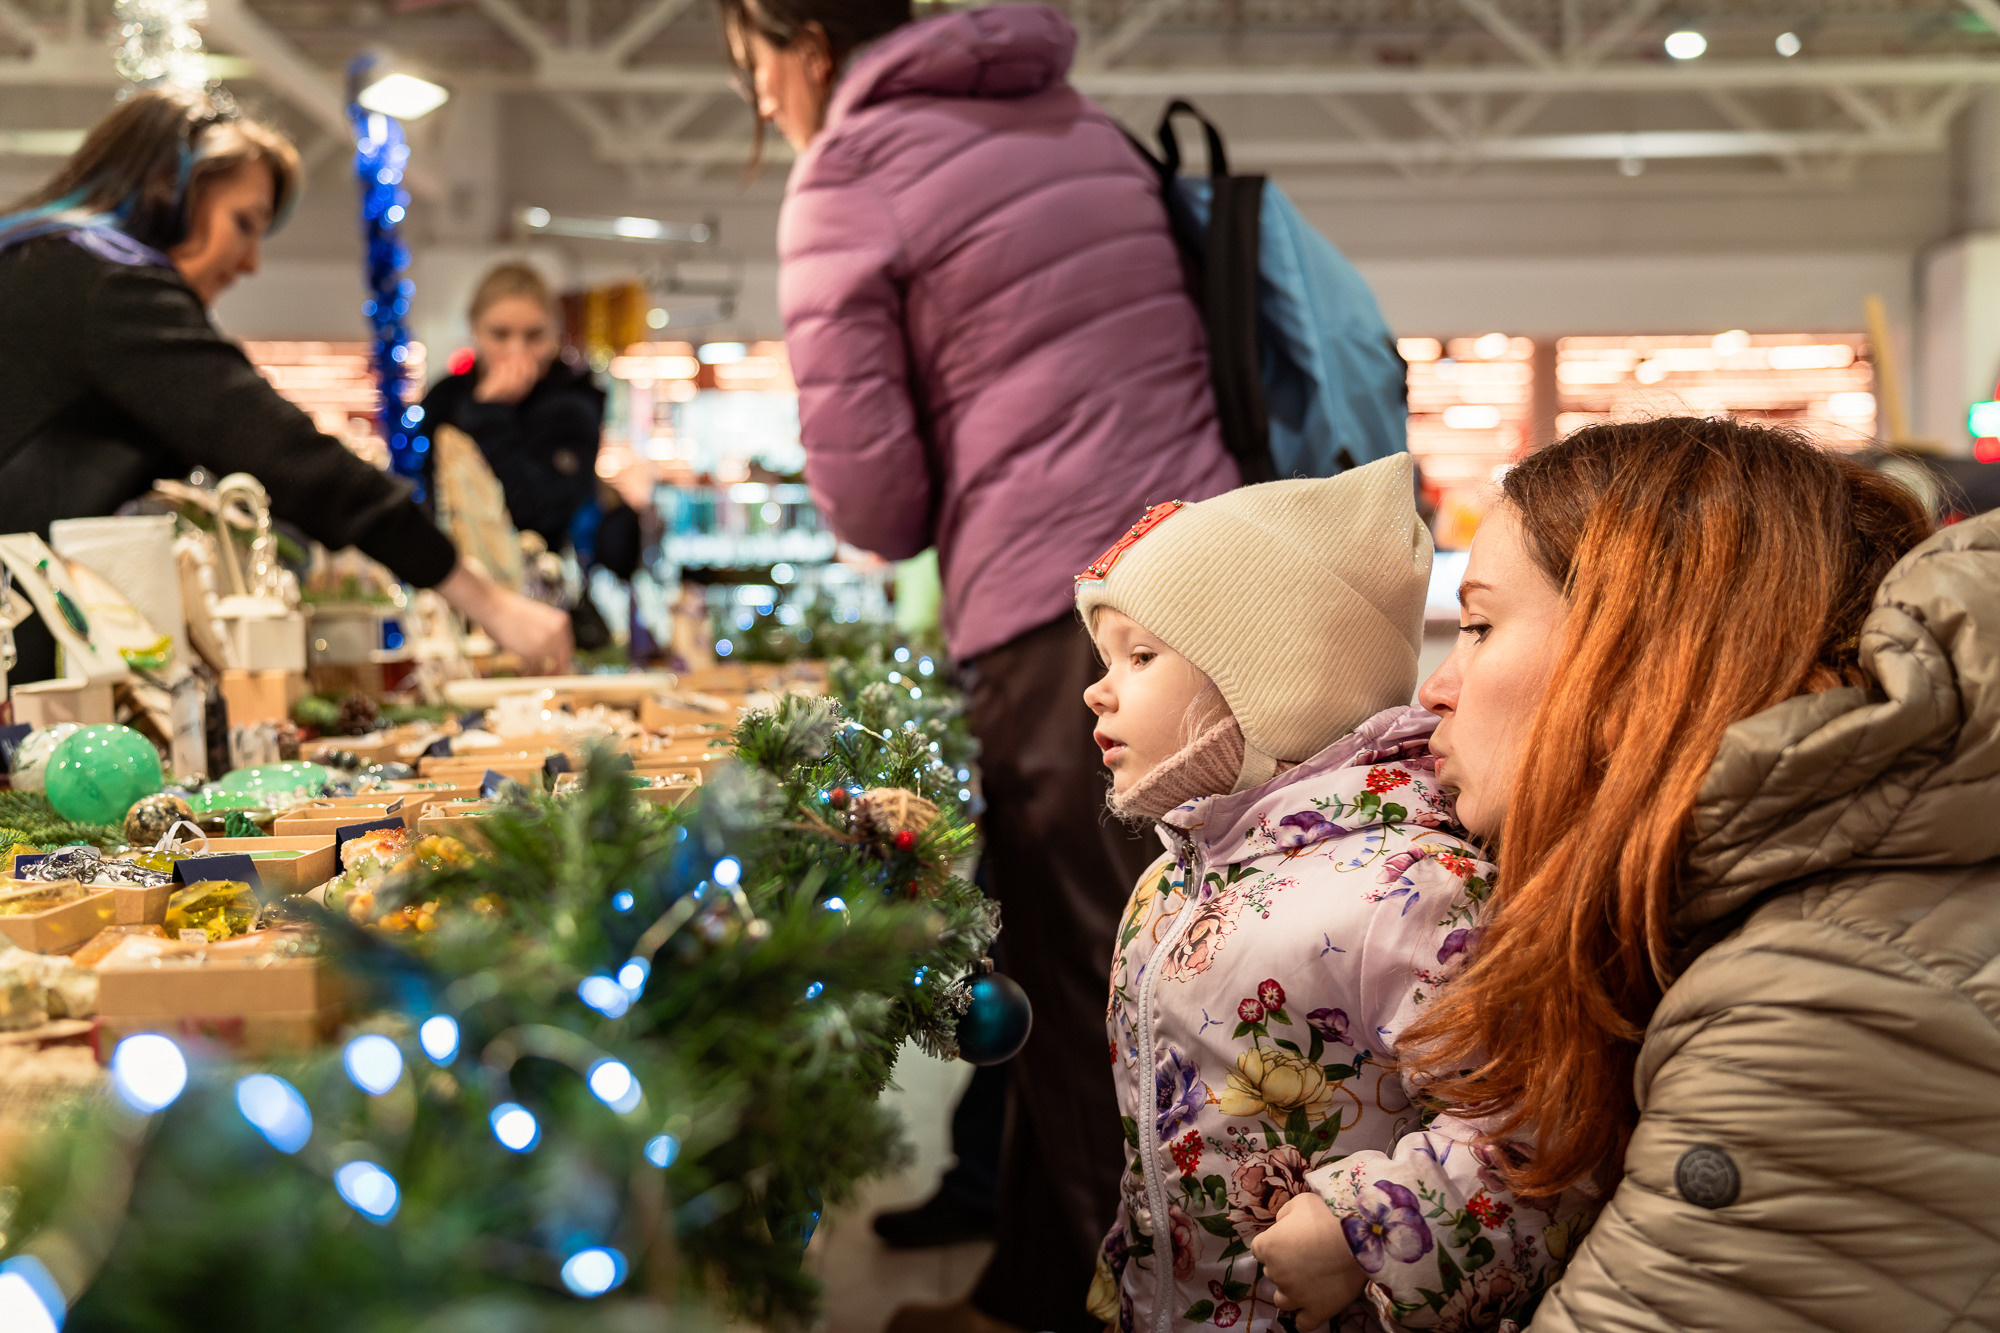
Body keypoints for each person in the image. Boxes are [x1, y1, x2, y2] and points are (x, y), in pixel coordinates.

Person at [718, 5, 1239, 1330]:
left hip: (1062, 623)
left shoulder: (852, 167)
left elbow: (877, 505)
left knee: (1086, 991)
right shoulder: (1074, 119)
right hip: (1210, 592)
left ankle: (1106, 1307)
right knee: (1159, 974)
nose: (760, 98)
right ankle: (1034, 1285)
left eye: (750, 66)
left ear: (797, 41)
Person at [1260, 416, 2000, 1329]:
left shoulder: (1817, 998)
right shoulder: (1777, 917)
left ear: (1651, 653)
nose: (1433, 692)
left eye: (1483, 625)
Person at [1076, 460, 1591, 1333]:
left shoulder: (1414, 889)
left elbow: (1535, 1135)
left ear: (1275, 681)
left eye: (1142, 653)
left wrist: (1364, 1236)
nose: (1098, 687)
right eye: (1104, 658)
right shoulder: (1174, 875)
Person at [0, 88, 570, 679]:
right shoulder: (108, 288)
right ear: (171, 189)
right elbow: (283, 451)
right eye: (243, 224)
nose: (250, 263)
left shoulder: (43, 265)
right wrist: (489, 603)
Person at [418, 263, 605, 555]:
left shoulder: (575, 407)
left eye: (534, 336)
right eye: (500, 334)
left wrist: (490, 412)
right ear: (475, 330)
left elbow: (537, 511)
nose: (516, 351)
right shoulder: (445, 397)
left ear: (555, 335)